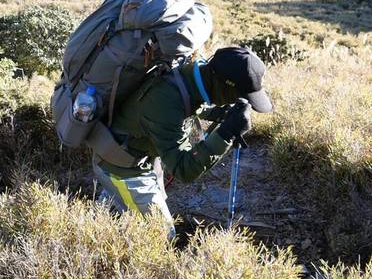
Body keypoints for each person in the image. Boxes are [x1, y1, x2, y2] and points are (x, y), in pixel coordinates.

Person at [93, 46, 273, 236]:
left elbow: (191, 104)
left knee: (155, 199)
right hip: (121, 166)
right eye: (239, 96)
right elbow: (183, 170)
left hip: (139, 151)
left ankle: (110, 205)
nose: (241, 101)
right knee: (161, 235)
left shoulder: (194, 73)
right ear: (224, 85)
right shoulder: (165, 101)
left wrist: (222, 113)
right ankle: (107, 214)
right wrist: (225, 134)